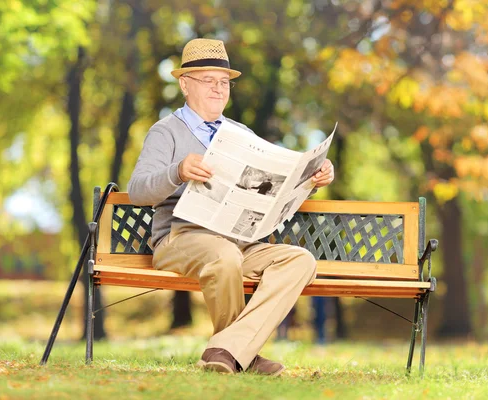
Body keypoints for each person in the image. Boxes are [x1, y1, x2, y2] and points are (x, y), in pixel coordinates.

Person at [127, 38, 334, 376]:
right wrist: (177, 171)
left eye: (224, 82)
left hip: (239, 241)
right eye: (208, 80)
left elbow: (271, 189)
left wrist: (312, 179)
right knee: (223, 256)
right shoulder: (166, 132)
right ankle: (243, 356)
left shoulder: (240, 133)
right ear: (184, 84)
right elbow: (137, 191)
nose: (218, 89)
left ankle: (229, 350)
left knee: (301, 261)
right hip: (181, 238)